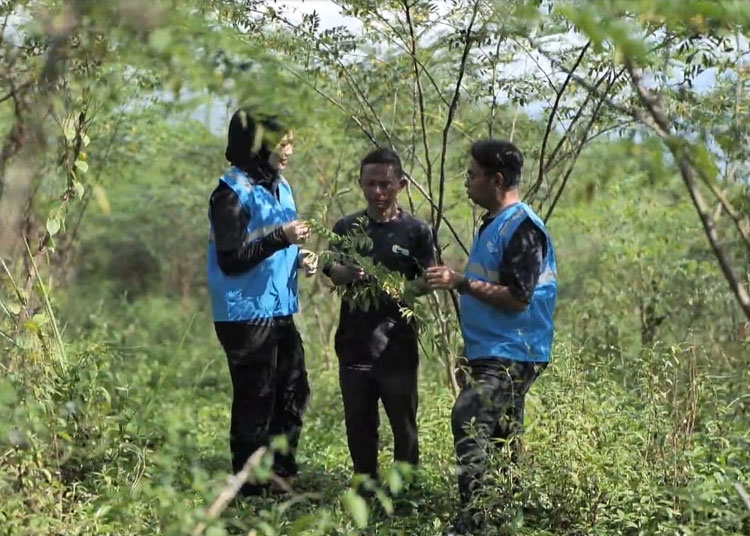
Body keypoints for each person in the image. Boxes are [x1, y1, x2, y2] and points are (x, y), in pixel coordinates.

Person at [424, 139, 558, 534]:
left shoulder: (523, 228)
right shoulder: (496, 223)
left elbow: (519, 298)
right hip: (493, 349)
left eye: (473, 175)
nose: (467, 182)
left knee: (469, 416)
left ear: (497, 180)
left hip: (514, 350)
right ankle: (506, 517)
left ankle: (475, 523)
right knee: (502, 437)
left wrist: (461, 283)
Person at [207, 109, 314, 495]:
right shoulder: (230, 194)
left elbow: (272, 246)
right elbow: (232, 259)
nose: (289, 150)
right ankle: (250, 488)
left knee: (294, 391)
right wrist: (281, 240)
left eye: (290, 142)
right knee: (256, 398)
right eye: (282, 143)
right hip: (244, 314)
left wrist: (299, 257)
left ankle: (281, 476)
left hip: (279, 308)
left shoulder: (280, 186)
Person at [323, 147, 436, 492]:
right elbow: (330, 268)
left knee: (404, 427)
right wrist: (346, 273)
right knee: (359, 426)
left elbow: (430, 278)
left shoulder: (417, 231)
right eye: (370, 184)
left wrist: (402, 289)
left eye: (385, 184)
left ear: (400, 185)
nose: (378, 192)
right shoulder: (347, 227)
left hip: (397, 348)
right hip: (354, 346)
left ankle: (404, 493)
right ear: (360, 184)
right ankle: (365, 489)